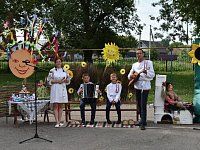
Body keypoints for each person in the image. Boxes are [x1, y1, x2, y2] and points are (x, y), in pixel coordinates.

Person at [128, 49, 155, 130]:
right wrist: (132, 76)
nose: (138, 55)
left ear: (143, 54)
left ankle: (143, 122)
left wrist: (146, 73)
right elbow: (129, 75)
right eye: (137, 54)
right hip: (137, 86)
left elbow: (152, 75)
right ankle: (142, 120)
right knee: (139, 104)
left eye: (140, 53)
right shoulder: (134, 65)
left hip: (145, 86)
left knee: (143, 104)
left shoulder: (148, 63)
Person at [47, 57, 70, 127]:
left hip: (62, 88)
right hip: (55, 88)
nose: (58, 63)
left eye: (60, 61)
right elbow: (49, 80)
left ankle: (60, 121)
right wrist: (58, 81)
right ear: (55, 63)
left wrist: (66, 80)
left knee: (61, 105)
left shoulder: (64, 70)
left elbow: (68, 80)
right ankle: (56, 121)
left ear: (61, 62)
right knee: (56, 105)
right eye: (57, 62)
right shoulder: (52, 70)